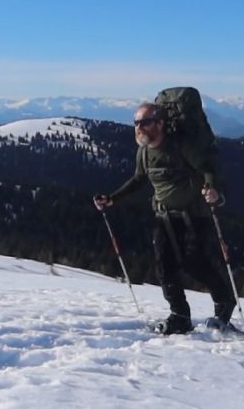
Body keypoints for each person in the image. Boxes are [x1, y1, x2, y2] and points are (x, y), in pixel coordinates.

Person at [93, 102, 236, 335]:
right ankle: (179, 316)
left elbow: (207, 168)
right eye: (137, 122)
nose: (139, 127)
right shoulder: (144, 151)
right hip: (164, 216)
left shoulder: (181, 145)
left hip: (194, 214)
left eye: (145, 122)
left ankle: (224, 302)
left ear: (160, 123)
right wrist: (113, 199)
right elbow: (140, 179)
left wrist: (211, 188)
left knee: (194, 262)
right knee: (164, 265)